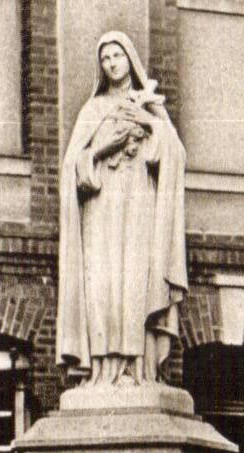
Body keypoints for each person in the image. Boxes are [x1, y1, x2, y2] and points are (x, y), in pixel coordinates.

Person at [58, 32, 187, 386]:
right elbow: (72, 168)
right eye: (106, 59)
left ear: (130, 59)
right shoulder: (93, 109)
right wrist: (101, 149)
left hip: (139, 207)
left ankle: (139, 368)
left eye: (117, 56)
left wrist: (148, 120)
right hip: (101, 212)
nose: (112, 63)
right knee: (103, 284)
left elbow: (175, 155)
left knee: (135, 281)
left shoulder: (148, 103)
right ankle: (104, 371)